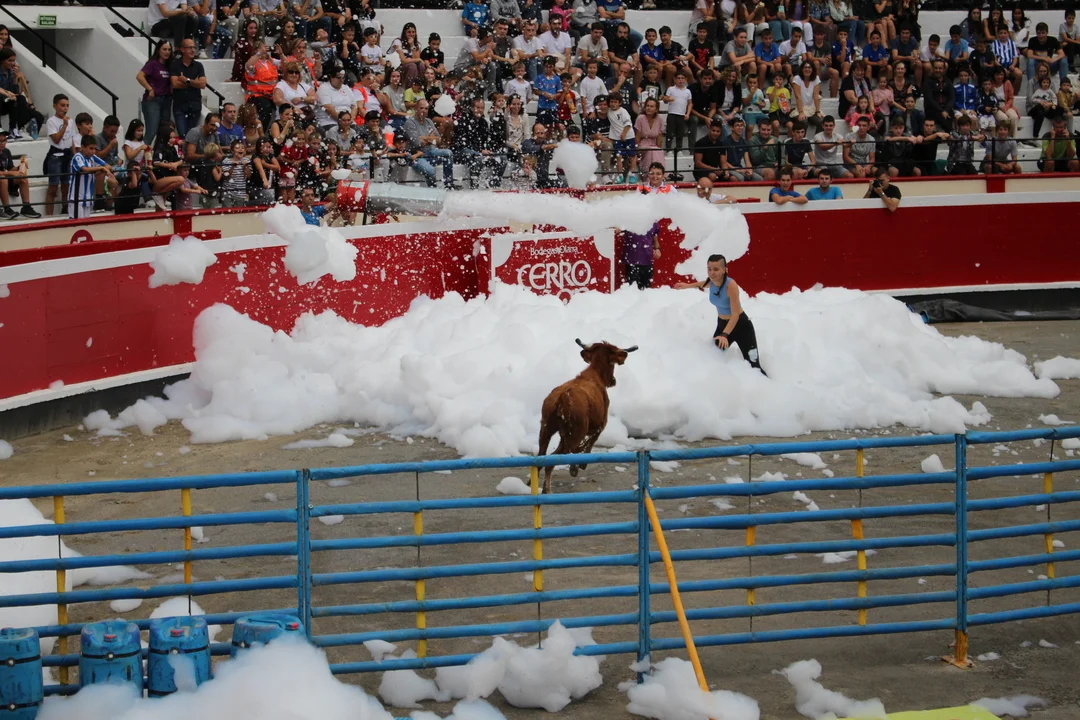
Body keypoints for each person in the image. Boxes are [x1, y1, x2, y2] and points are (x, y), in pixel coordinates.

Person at [674, 254, 767, 375]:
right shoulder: (712, 282)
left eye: (716, 269)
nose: (711, 273)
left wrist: (724, 334)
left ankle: (768, 385)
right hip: (722, 325)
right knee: (713, 357)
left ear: (724, 270)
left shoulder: (730, 285)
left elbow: (735, 315)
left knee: (754, 367)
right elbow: (703, 284)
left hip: (741, 326)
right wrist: (686, 286)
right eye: (709, 269)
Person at [69, 134, 113, 220]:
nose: (93, 151)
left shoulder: (93, 157)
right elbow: (84, 169)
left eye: (95, 149)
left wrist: (101, 169)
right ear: (82, 147)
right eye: (91, 148)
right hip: (76, 198)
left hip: (88, 198)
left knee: (86, 223)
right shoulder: (77, 157)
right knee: (77, 224)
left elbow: (108, 166)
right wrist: (101, 168)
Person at [0, 130, 39, 218]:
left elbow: (10, 168)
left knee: (22, 176)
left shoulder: (6, 151)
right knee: (3, 179)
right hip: (2, 180)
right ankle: (7, 209)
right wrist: (11, 172)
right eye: (0, 141)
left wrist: (20, 167)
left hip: (5, 180)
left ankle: (26, 207)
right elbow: (9, 172)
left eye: (4, 141)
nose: (2, 144)